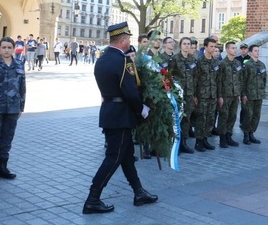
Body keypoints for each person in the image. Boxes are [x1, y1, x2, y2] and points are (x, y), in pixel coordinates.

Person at [82, 22, 157, 214]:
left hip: (109, 111)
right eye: (129, 39)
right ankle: (93, 198)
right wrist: (142, 109)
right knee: (114, 157)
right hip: (121, 115)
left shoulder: (102, 59)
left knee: (126, 156)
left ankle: (139, 192)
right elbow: (130, 92)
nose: (130, 41)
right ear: (123, 40)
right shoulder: (122, 61)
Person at [0, 37, 26, 182]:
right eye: (4, 47)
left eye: (9, 47)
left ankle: (2, 168)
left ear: (13, 48)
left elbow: (22, 87)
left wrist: (21, 106)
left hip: (13, 109)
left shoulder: (19, 64)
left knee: (7, 138)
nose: (6, 50)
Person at [169, 37, 197, 154]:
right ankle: (175, 143)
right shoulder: (175, 59)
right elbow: (169, 75)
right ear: (180, 46)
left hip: (189, 93)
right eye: (184, 44)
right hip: (178, 94)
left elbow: (195, 77)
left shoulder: (193, 60)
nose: (186, 46)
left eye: (188, 44)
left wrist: (195, 93)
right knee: (177, 118)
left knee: (187, 118)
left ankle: (183, 143)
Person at [193, 37, 220, 151]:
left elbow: (218, 80)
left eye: (215, 47)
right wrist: (194, 95)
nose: (213, 49)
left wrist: (219, 95)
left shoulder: (215, 62)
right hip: (202, 95)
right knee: (201, 118)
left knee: (210, 118)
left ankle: (205, 139)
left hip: (212, 95)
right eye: (211, 46)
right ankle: (198, 141)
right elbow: (195, 79)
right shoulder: (199, 61)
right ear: (205, 47)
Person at [217, 41, 244, 148]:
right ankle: (222, 138)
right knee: (224, 116)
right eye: (233, 48)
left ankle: (229, 136)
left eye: (235, 48)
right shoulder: (222, 64)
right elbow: (219, 81)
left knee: (232, 116)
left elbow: (240, 79)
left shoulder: (238, 63)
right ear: (227, 50)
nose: (235, 50)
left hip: (235, 94)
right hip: (225, 95)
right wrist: (220, 96)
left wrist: (239, 94)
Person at [242, 44, 266, 145]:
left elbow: (264, 79)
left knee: (256, 115)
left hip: (259, 94)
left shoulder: (262, 65)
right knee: (248, 115)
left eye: (258, 50)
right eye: (255, 51)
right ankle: (246, 135)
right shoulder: (247, 65)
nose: (257, 52)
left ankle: (252, 133)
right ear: (250, 52)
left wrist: (262, 91)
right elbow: (243, 80)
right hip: (249, 95)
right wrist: (243, 94)